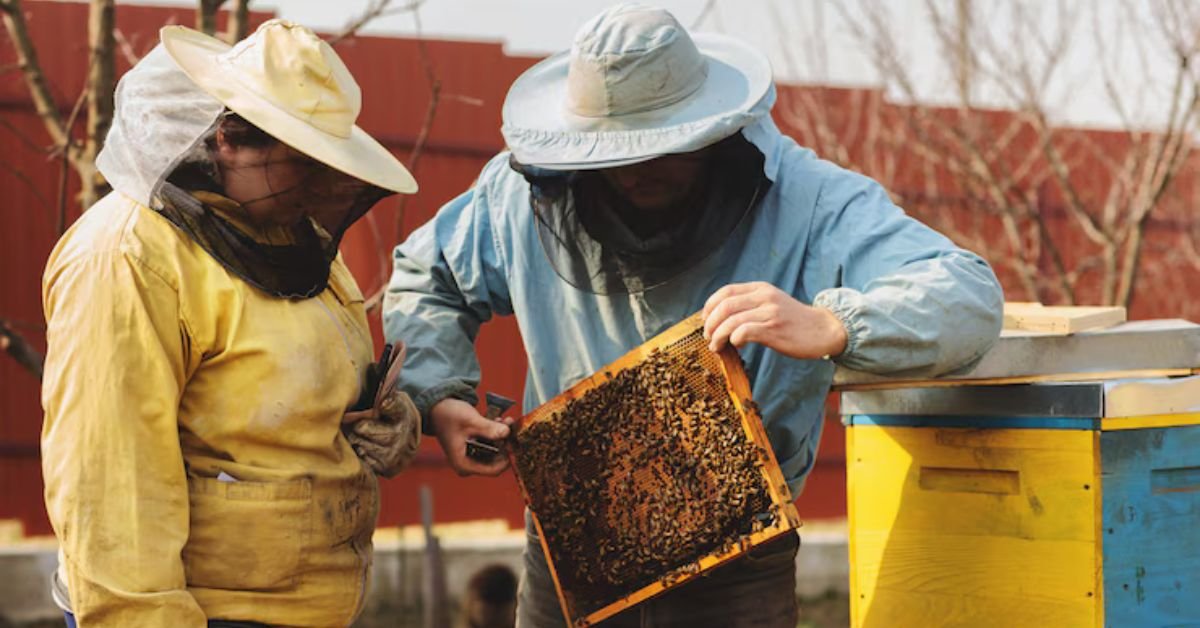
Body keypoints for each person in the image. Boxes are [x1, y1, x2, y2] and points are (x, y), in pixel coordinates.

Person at [382, 4, 1004, 626]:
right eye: (614, 154)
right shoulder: (517, 196)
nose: (636, 172)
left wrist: (836, 326)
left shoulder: (814, 202)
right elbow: (424, 277)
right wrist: (438, 396)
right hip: (573, 552)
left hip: (740, 559)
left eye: (663, 148)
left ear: (713, 130)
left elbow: (967, 294)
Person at [41, 20, 422, 627]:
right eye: (300, 161)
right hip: (203, 609)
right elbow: (108, 479)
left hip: (309, 601)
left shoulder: (291, 241)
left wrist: (384, 420)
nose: (319, 183)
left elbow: (292, 393)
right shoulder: (126, 256)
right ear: (227, 139)